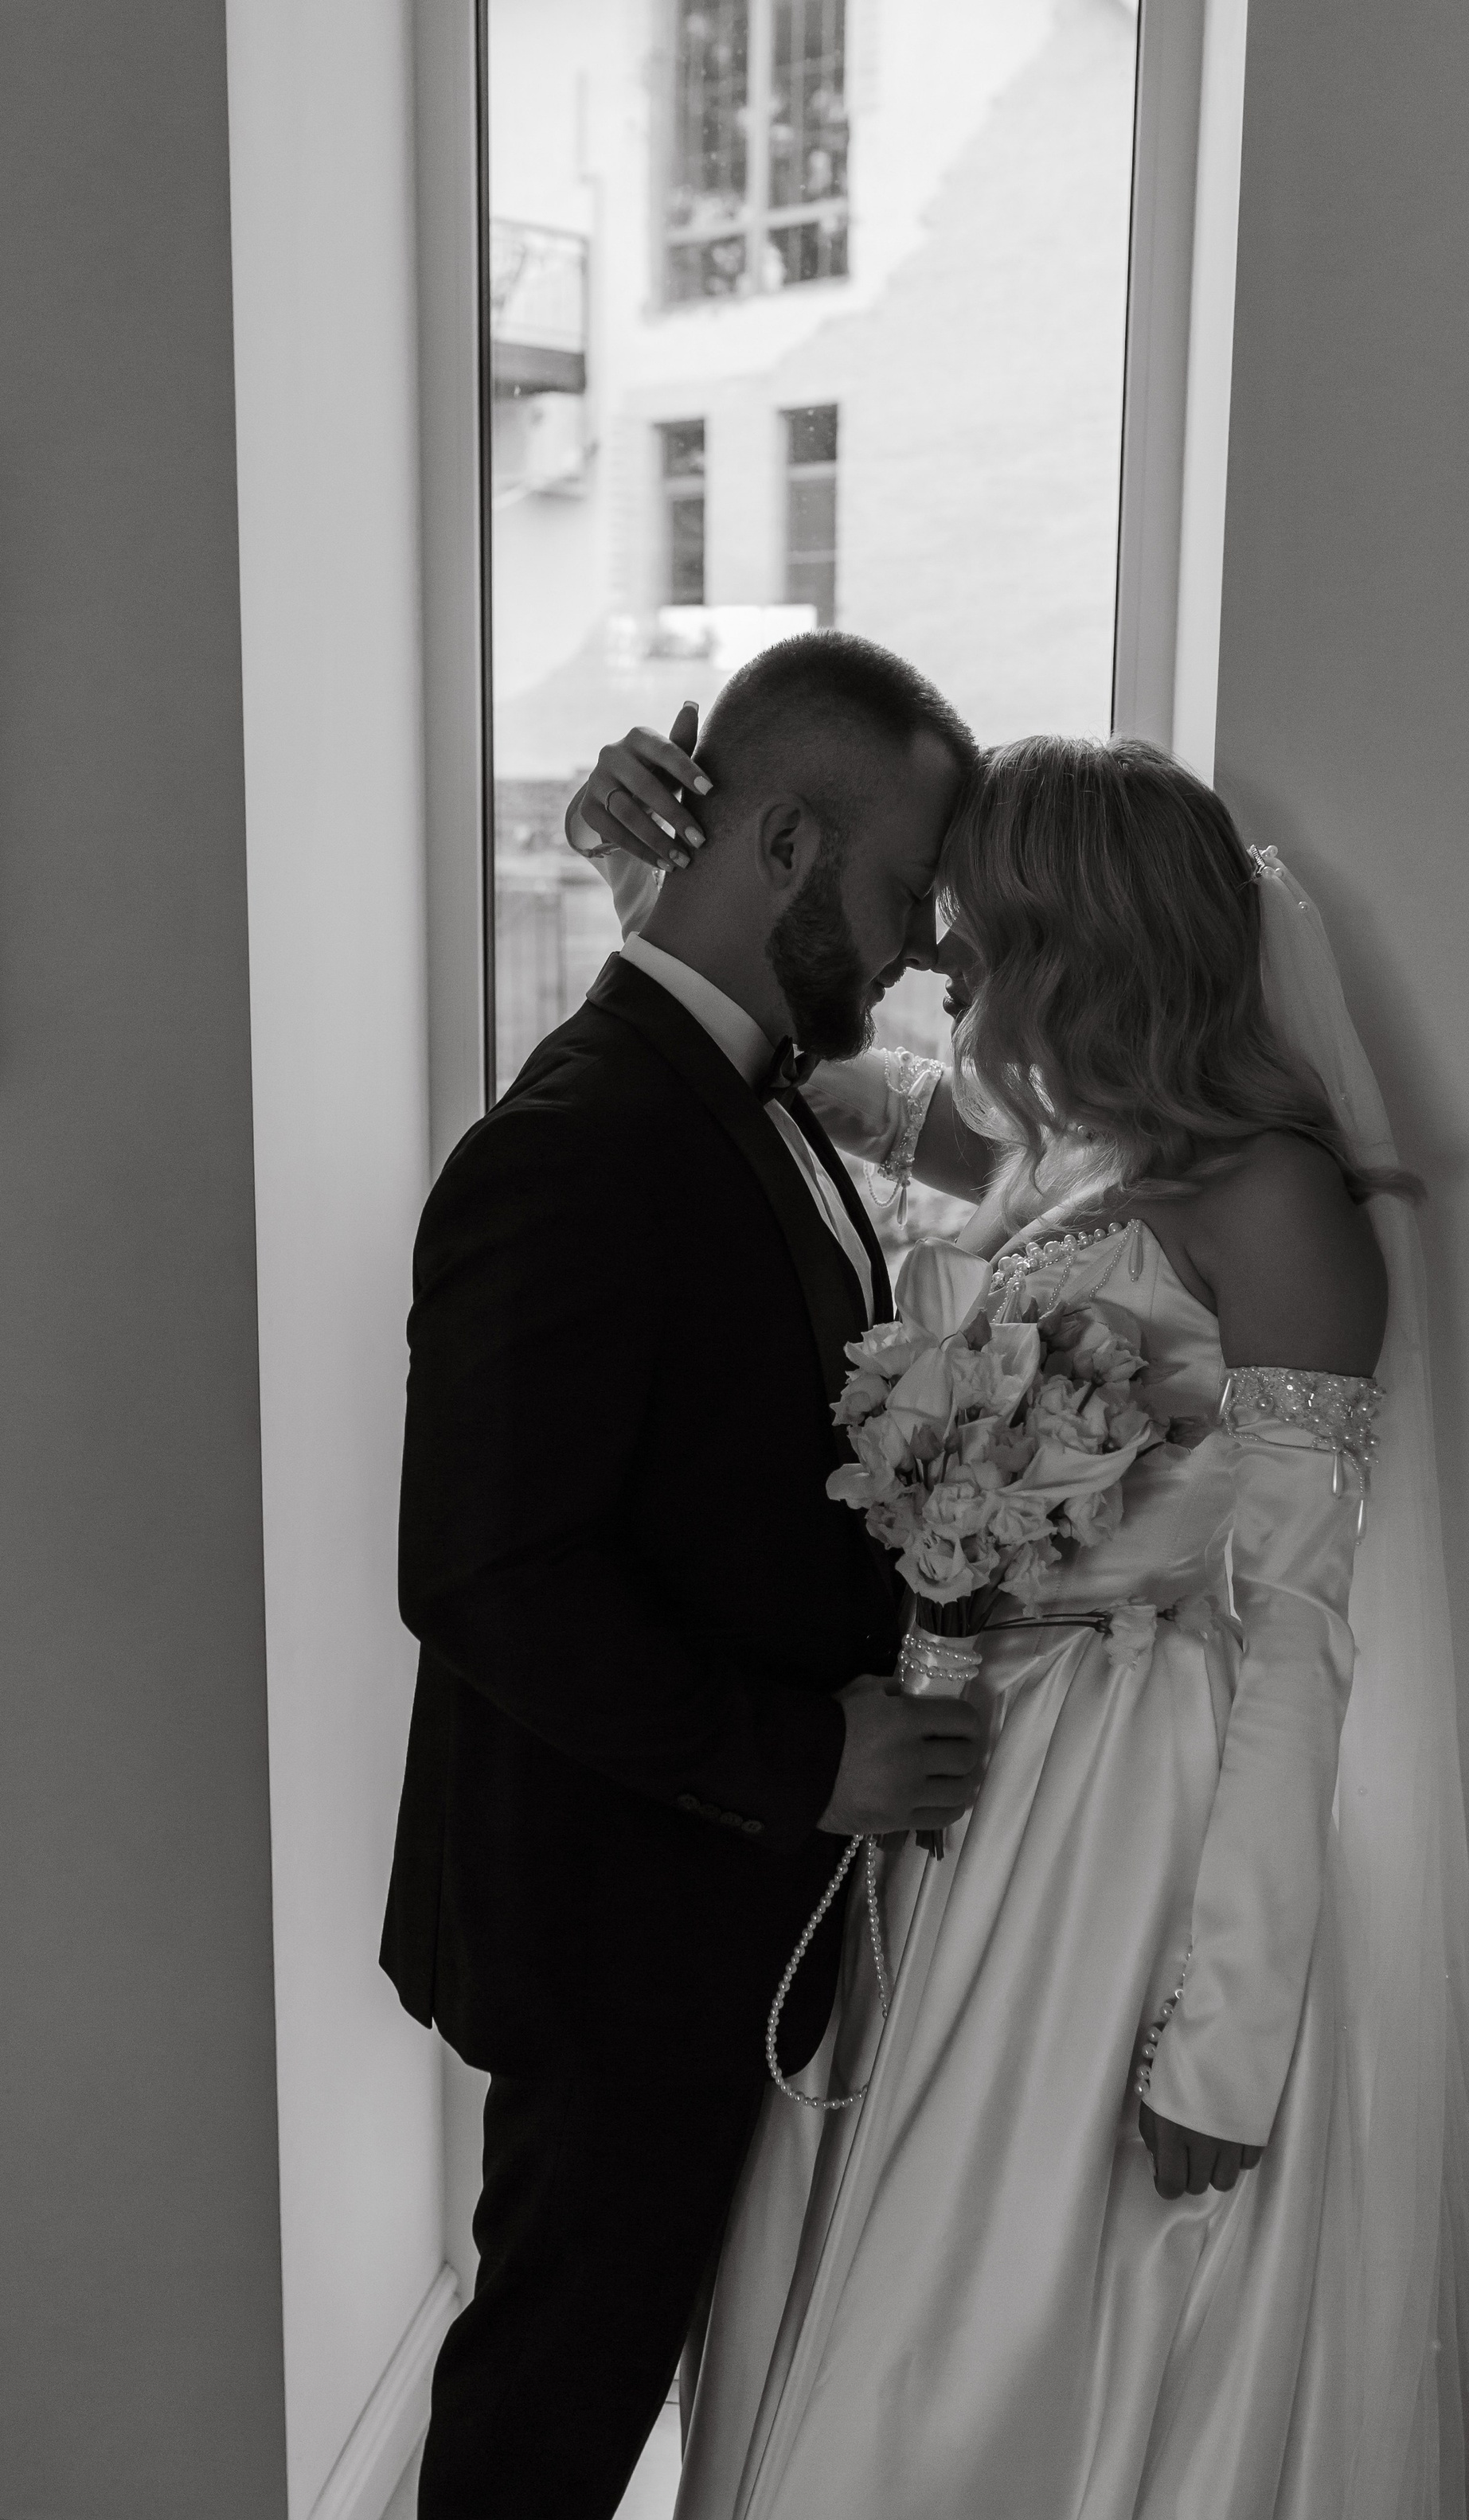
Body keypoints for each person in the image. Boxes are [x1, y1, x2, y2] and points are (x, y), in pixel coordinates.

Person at [582, 725, 1469, 2518]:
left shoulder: (1275, 1201)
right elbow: (828, 1082)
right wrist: (651, 870)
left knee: (1000, 2327)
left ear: (1080, 936)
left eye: (971, 923)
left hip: (1117, 1823)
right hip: (956, 1782)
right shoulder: (1062, 1149)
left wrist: (1225, 2032)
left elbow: (1299, 1633)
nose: (938, 955)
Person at [380, 631, 988, 2518]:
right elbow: (484, 1572)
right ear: (785, 846)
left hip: (700, 1907)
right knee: (546, 2416)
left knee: (609, 2377)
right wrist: (806, 1757)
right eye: (904, 892)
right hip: (615, 1915)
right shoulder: (581, 1138)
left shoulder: (748, 1088)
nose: (921, 949)